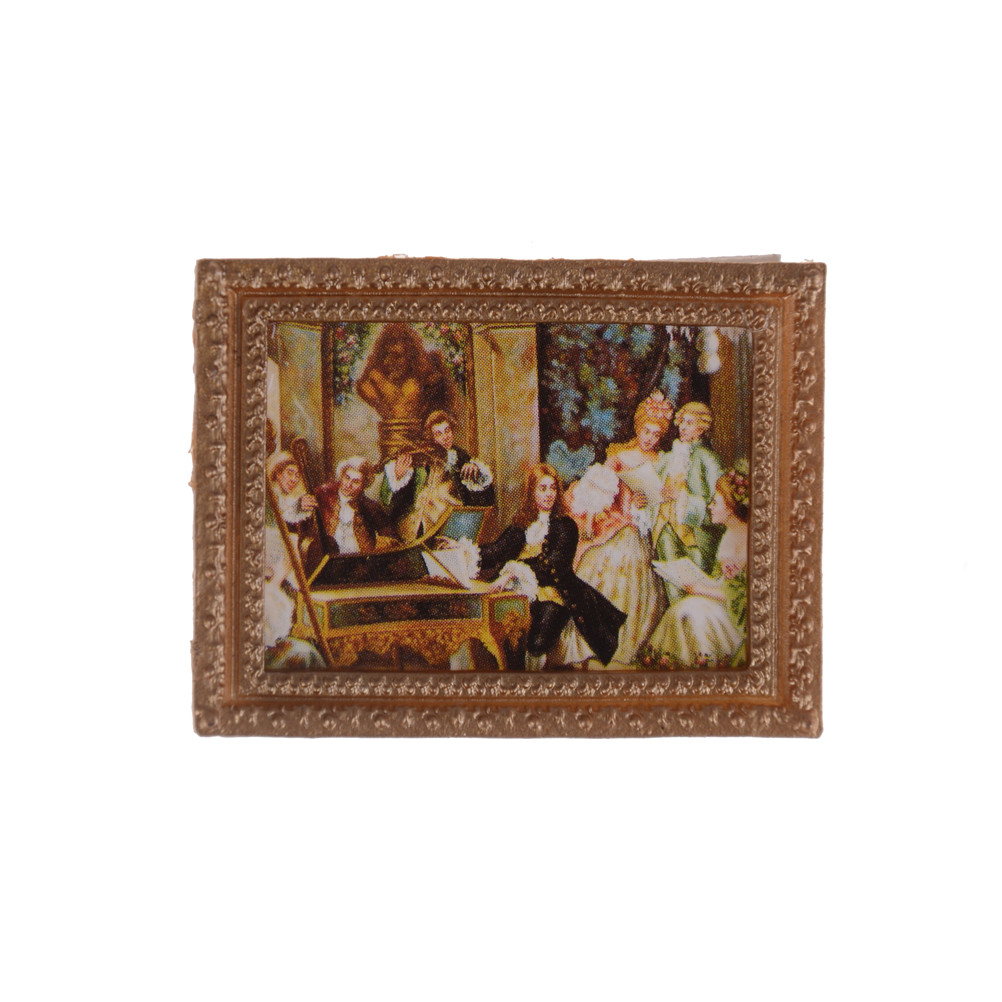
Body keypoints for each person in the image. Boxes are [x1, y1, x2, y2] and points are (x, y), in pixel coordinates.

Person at [470, 463, 627, 670]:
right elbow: (495, 551)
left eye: (552, 488)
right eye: (542, 488)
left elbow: (552, 565)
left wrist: (512, 574)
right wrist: (464, 551)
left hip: (555, 591)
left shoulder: (565, 526)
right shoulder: (522, 524)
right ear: (532, 492)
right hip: (519, 590)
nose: (548, 494)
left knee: (537, 642)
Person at [565, 392, 673, 664]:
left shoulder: (662, 462)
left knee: (639, 562)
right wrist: (598, 515)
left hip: (644, 528)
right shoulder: (620, 455)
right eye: (646, 431)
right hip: (618, 523)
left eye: (656, 434)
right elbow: (598, 488)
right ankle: (597, 641)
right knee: (604, 560)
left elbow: (665, 499)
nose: (649, 438)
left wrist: (647, 503)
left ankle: (628, 644)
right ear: (638, 427)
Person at [644, 464, 749, 669]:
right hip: (720, 599)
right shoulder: (729, 533)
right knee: (680, 610)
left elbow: (743, 595)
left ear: (730, 508)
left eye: (715, 502)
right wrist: (696, 580)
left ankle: (702, 667)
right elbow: (722, 580)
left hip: (736, 613)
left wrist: (699, 589)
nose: (709, 507)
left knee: (692, 613)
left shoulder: (748, 538)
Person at [649, 401, 725, 600]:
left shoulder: (708, 459)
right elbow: (652, 489)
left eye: (689, 423)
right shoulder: (669, 458)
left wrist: (683, 499)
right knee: (673, 591)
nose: (682, 427)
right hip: (665, 530)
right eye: (681, 421)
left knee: (696, 594)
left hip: (695, 538)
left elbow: (721, 505)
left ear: (702, 428)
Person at [381, 410, 495, 540]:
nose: (445, 437)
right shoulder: (424, 460)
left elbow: (484, 499)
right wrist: (398, 476)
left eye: (447, 431)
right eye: (439, 434)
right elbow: (394, 501)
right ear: (432, 438)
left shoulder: (460, 456)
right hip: (420, 518)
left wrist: (475, 472)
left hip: (449, 516)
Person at [315, 457, 397, 556]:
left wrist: (382, 546)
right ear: (342, 475)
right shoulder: (324, 494)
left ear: (364, 485)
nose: (348, 485)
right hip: (329, 558)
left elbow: (389, 533)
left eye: (355, 482)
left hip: (359, 560)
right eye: (347, 477)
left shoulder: (369, 506)